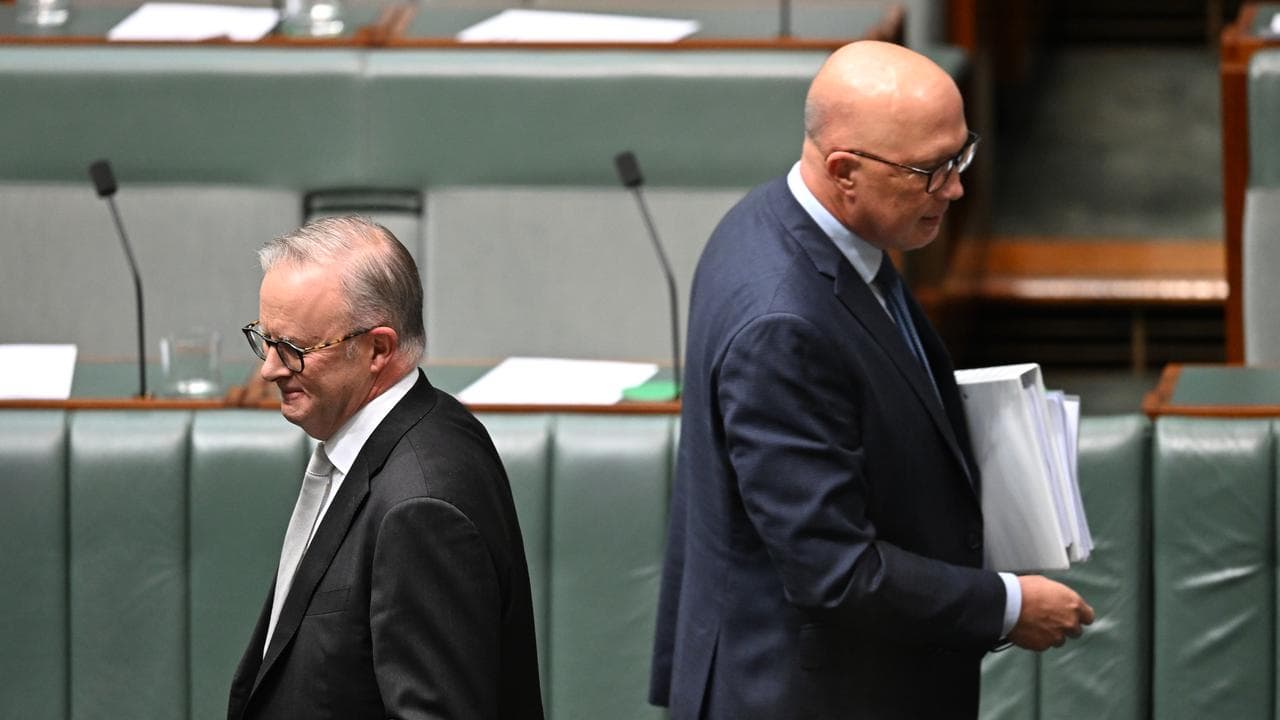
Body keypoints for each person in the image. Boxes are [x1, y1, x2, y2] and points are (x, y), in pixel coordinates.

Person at [649, 41, 1094, 719]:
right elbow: (835, 570)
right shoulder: (783, 323)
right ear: (843, 170)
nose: (955, 188)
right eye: (929, 171)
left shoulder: (792, 221)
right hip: (806, 694)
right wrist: (1007, 607)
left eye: (959, 155)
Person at [226, 216, 543, 720]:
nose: (268, 368)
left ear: (378, 349)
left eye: (294, 349)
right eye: (265, 339)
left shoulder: (420, 506)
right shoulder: (427, 421)